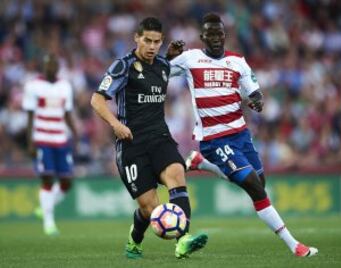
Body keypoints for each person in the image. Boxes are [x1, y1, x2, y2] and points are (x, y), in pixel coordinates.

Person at [167, 13, 318, 257]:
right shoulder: (190, 59)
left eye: (219, 34)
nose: (215, 38)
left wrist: (257, 102)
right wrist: (169, 56)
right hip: (214, 139)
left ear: (225, 36)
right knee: (254, 189)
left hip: (241, 135)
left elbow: (255, 93)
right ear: (202, 37)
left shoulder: (238, 62)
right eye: (210, 34)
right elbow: (161, 71)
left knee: (260, 185)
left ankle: (200, 163)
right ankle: (295, 246)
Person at [90, 17, 207, 259]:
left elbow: (166, 68)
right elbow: (96, 99)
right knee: (149, 207)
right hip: (131, 143)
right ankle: (135, 240)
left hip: (160, 137)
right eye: (147, 41)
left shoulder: (164, 65)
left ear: (161, 41)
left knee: (177, 173)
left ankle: (183, 239)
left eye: (156, 41)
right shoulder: (123, 66)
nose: (152, 46)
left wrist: (172, 57)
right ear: (137, 38)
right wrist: (115, 125)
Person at [22, 54, 77, 236]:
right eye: (48, 65)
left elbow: (67, 113)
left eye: (54, 64)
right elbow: (30, 116)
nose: (51, 68)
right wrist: (30, 142)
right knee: (47, 177)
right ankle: (49, 223)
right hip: (42, 138)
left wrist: (75, 133)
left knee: (67, 181)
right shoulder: (33, 86)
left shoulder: (65, 86)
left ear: (58, 67)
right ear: (43, 67)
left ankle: (45, 206)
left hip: (61, 138)